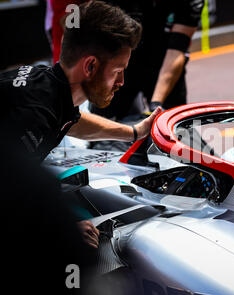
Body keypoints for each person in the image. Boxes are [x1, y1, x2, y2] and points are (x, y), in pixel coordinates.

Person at [0, 1, 161, 248]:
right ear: (90, 66)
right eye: (118, 71)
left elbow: (71, 120)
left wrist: (134, 132)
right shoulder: (32, 117)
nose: (121, 82)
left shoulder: (45, 86)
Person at [89, 0, 204, 120]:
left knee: (175, 124)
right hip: (122, 63)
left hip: (164, 65)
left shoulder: (192, 2)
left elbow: (176, 51)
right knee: (103, 120)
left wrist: (156, 104)